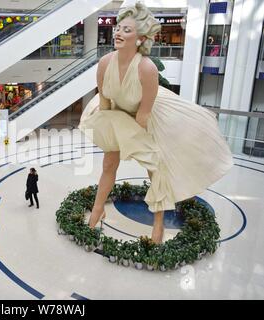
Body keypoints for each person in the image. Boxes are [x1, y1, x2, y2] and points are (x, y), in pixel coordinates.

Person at [79, 2, 233, 244]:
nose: (118, 32)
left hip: (147, 117)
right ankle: (98, 208)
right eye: (118, 28)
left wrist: (134, 146)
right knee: (109, 164)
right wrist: (113, 140)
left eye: (126, 30)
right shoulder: (105, 63)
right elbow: (105, 104)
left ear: (140, 39)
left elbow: (143, 115)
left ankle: (158, 225)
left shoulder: (146, 69)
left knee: (155, 170)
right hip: (115, 113)